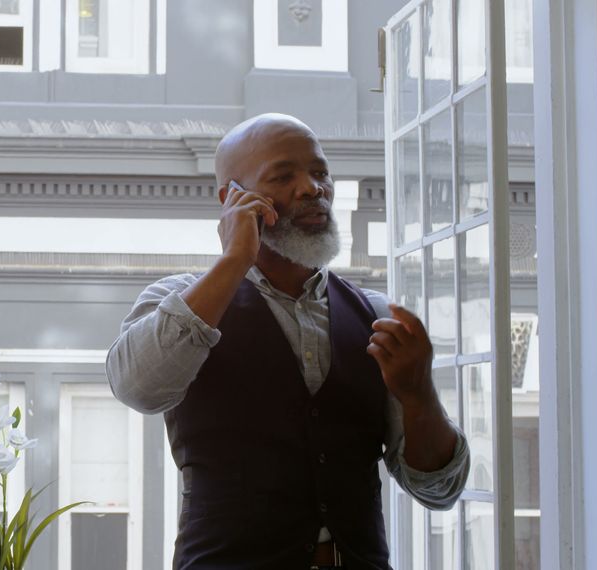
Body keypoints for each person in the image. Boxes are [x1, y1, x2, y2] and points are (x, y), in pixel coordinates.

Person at [105, 113, 469, 570]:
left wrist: (419, 396)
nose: (313, 188)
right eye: (284, 175)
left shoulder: (375, 316)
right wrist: (235, 260)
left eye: (320, 172)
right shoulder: (175, 302)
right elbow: (136, 387)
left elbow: (440, 489)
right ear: (230, 197)